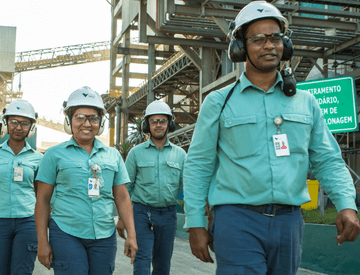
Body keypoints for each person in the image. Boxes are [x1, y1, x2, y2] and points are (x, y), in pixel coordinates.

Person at [183, 1, 360, 275]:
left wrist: (347, 205)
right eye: (258, 39)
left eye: (275, 38)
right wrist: (195, 222)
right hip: (237, 219)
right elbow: (199, 164)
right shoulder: (218, 102)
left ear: (285, 45)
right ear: (240, 48)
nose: (269, 45)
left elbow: (328, 160)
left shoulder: (306, 103)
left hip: (289, 222)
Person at [35, 86, 137, 274]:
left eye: (93, 118)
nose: (87, 124)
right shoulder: (53, 155)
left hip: (104, 236)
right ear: (69, 120)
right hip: (66, 233)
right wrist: (42, 241)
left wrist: (132, 235)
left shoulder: (113, 156)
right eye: (80, 117)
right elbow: (42, 200)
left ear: (101, 123)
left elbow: (122, 197)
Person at [116, 100, 186, 275]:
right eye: (153, 121)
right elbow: (125, 188)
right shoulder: (135, 153)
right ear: (147, 125)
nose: (158, 125)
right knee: (141, 260)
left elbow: (188, 188)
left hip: (169, 215)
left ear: (169, 124)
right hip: (142, 214)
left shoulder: (180, 155)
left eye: (162, 121)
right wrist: (122, 218)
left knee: (163, 265)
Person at [0, 99, 43, 274]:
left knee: (22, 271)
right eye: (13, 122)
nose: (18, 127)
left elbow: (41, 194)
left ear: (31, 127)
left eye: (24, 123)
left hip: (28, 222)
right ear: (6, 124)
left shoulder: (39, 159)